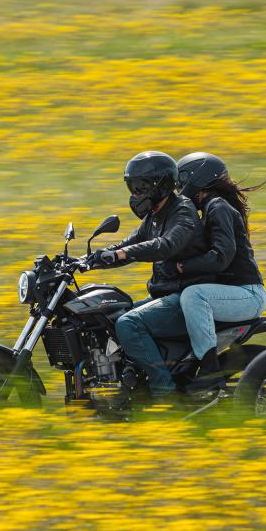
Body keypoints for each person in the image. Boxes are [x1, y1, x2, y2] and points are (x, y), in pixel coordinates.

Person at [88, 150, 209, 398]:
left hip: (186, 296)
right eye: (131, 188)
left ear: (160, 185)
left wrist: (120, 254)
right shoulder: (154, 216)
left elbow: (166, 245)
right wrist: (88, 260)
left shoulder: (182, 211)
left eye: (140, 188)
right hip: (165, 294)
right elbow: (128, 245)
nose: (134, 195)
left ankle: (163, 392)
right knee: (109, 317)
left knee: (128, 323)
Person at [174, 152, 266, 394]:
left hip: (246, 294)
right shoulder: (211, 208)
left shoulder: (218, 207)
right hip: (233, 293)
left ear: (197, 178)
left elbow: (221, 256)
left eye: (181, 181)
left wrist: (186, 266)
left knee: (194, 296)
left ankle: (209, 370)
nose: (179, 188)